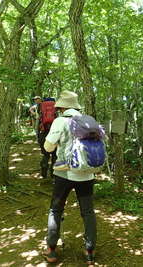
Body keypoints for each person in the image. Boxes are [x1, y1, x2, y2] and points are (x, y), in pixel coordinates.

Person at [43, 91, 97, 265]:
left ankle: (51, 250)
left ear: (62, 107)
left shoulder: (60, 121)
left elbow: (48, 148)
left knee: (56, 210)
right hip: (87, 174)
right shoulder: (89, 121)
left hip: (63, 173)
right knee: (88, 212)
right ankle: (89, 251)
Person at [38, 97, 57, 179]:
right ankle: (53, 174)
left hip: (44, 134)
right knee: (54, 155)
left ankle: (44, 173)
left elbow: (38, 124)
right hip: (55, 134)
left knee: (45, 154)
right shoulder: (56, 108)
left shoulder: (41, 107)